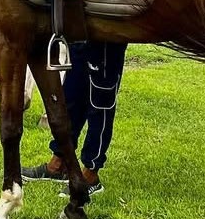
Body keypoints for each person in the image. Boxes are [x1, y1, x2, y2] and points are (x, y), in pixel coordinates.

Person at [21, 40, 128, 195]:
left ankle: (91, 174)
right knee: (71, 96)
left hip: (107, 35)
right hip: (80, 36)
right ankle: (60, 162)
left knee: (101, 102)